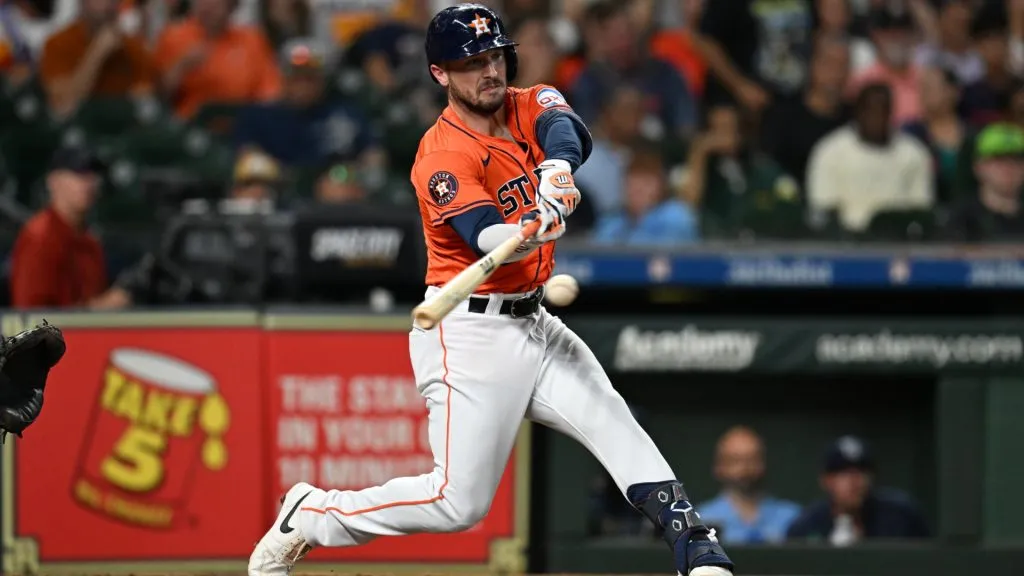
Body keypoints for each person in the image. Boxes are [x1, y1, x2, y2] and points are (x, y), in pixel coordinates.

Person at [247, 5, 735, 576]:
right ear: (440, 74)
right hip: (472, 333)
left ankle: (695, 543)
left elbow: (565, 128)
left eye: (495, 56)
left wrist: (556, 170)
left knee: (608, 415)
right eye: (471, 62)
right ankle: (314, 515)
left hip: (536, 321)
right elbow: (484, 234)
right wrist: (529, 230)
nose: (489, 71)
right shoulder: (441, 154)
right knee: (458, 504)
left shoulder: (528, 102)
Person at [806, 83, 934, 233]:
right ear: (858, 113)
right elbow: (824, 208)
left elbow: (920, 208)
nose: (877, 118)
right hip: (845, 241)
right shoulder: (830, 151)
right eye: (870, 111)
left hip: (899, 239)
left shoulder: (914, 153)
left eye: (883, 111)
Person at [787, 435, 930, 545]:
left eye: (862, 471)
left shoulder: (902, 516)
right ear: (826, 480)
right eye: (844, 473)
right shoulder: (807, 525)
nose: (855, 481)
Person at [39, 0, 156, 117]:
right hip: (78, 127)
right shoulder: (58, 44)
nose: (109, 3)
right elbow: (62, 105)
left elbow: (146, 102)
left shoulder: (133, 48)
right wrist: (97, 53)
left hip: (120, 127)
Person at [696, 426, 801, 545]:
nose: (744, 469)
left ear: (763, 463)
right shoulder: (702, 520)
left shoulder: (792, 518)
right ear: (718, 467)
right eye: (735, 461)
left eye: (752, 459)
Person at [592, 147, 700, 246]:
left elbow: (655, 257)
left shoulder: (676, 216)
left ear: (660, 187)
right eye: (633, 182)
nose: (638, 189)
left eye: (647, 183)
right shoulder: (612, 221)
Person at [945, 122, 1024, 241]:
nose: (1008, 167)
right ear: (978, 166)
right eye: (998, 159)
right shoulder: (961, 220)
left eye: (1017, 159)